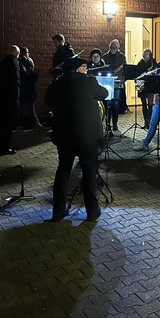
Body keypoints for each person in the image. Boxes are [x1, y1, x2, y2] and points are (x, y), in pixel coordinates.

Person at [44, 56, 109, 222]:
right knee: (89, 171)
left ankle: (58, 211)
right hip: (87, 136)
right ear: (78, 69)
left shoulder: (57, 84)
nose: (86, 69)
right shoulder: (89, 81)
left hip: (64, 135)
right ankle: (92, 211)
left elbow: (48, 101)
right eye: (84, 67)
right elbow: (104, 93)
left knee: (63, 169)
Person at [0, 45, 21, 154]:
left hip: (1, 100)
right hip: (10, 101)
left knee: (3, 127)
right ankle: (4, 148)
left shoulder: (1, 63)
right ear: (16, 54)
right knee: (8, 126)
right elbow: (15, 83)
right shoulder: (14, 63)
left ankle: (1, 146)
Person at [102, 39, 127, 134]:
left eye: (115, 47)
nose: (113, 49)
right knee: (108, 104)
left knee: (116, 104)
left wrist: (123, 80)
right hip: (108, 82)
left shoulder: (122, 57)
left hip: (117, 82)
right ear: (109, 47)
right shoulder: (105, 57)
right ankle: (108, 124)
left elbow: (124, 69)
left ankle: (115, 123)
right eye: (112, 47)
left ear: (118, 48)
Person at [18, 46, 44, 130]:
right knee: (29, 108)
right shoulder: (26, 62)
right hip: (28, 88)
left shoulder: (21, 62)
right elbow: (27, 75)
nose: (28, 54)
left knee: (22, 108)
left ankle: (19, 126)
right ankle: (35, 124)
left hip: (23, 88)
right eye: (27, 52)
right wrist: (35, 74)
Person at [136, 48, 158, 129]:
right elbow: (136, 73)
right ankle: (146, 121)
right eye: (144, 54)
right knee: (144, 105)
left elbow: (156, 73)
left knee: (150, 104)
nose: (144, 56)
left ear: (150, 55)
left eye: (146, 54)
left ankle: (151, 121)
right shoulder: (140, 62)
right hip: (142, 85)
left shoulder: (153, 63)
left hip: (150, 85)